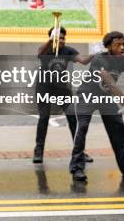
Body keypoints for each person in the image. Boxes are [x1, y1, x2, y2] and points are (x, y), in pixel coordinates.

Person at [69, 31, 124, 182]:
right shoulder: (100, 59)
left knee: (118, 128)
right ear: (108, 46)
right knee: (82, 128)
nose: (122, 48)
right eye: (118, 45)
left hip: (105, 97)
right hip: (87, 95)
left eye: (123, 44)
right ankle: (76, 168)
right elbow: (110, 83)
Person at [33, 26, 95, 163]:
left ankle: (80, 152)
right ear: (52, 38)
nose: (62, 40)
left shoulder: (68, 50)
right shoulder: (46, 49)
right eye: (58, 38)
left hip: (62, 88)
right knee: (44, 118)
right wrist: (51, 40)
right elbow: (39, 54)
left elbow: (83, 61)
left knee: (73, 118)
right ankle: (38, 151)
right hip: (44, 87)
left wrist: (94, 54)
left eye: (63, 38)